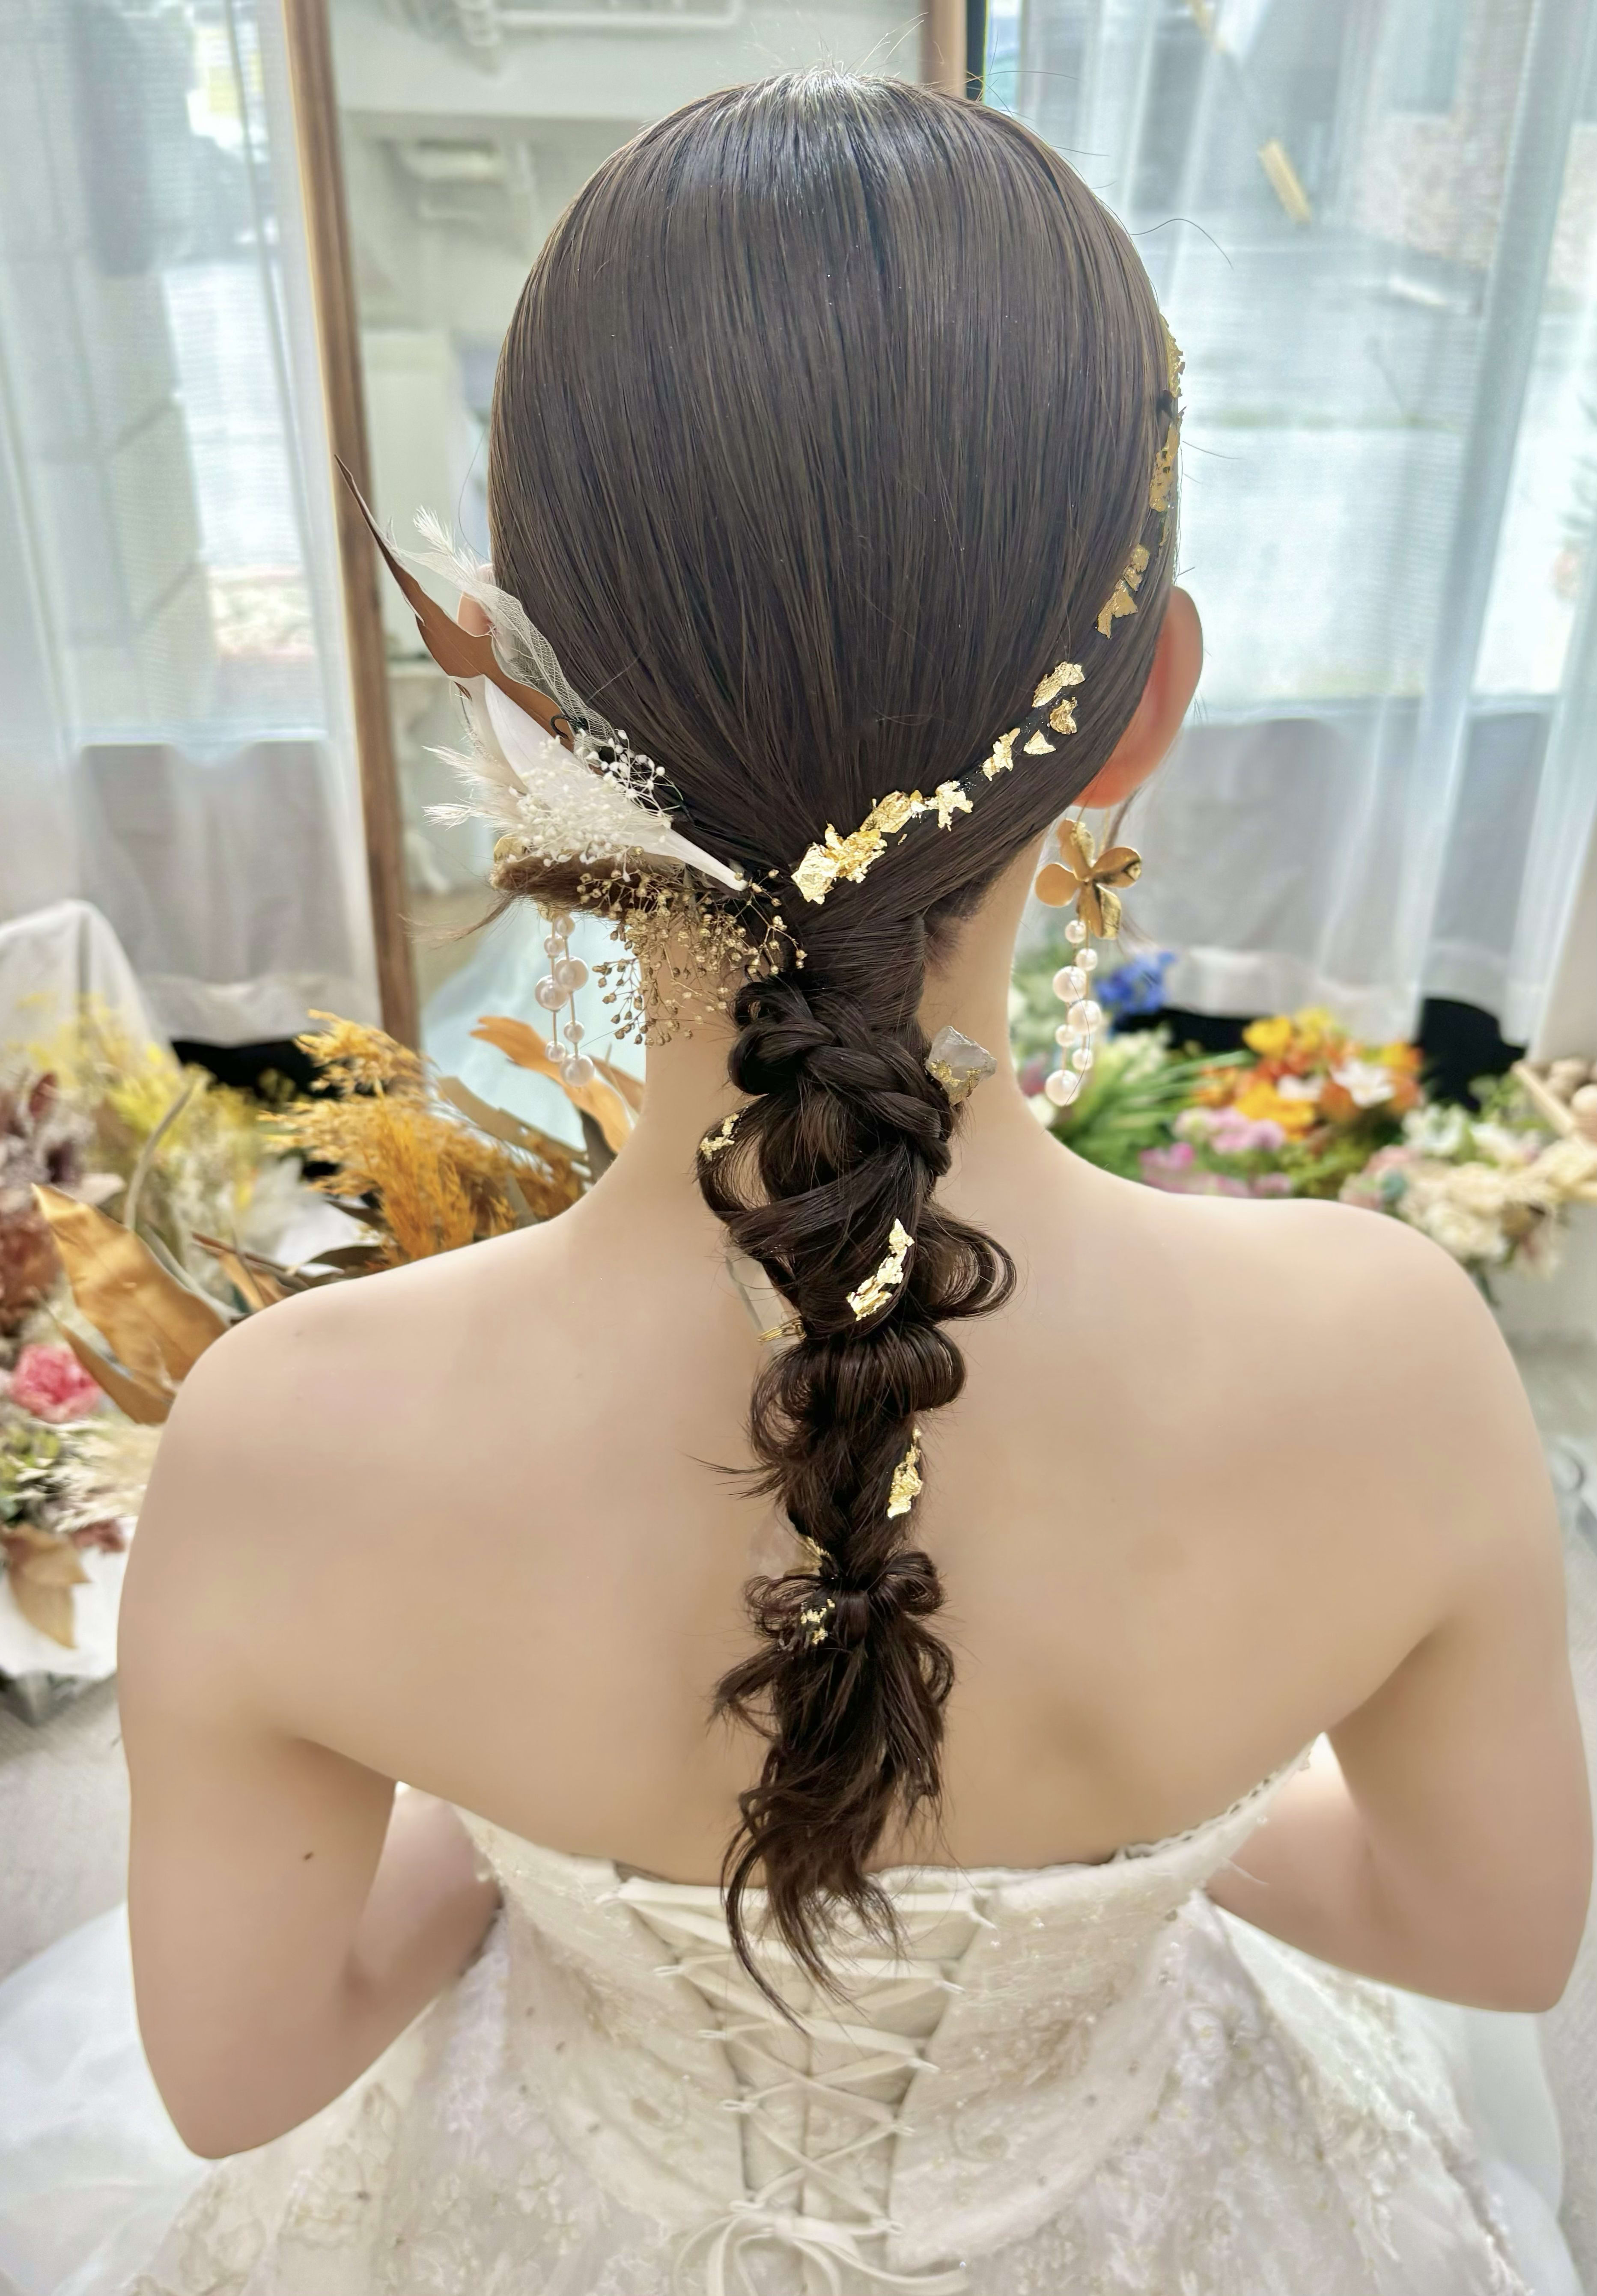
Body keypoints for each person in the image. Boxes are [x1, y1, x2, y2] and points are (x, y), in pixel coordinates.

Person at [0, 68, 1590, 2296]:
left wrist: (513, 1829)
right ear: (1144, 706)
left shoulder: (289, 1436)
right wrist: (1125, 1854)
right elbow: (1491, 1932)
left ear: (513, 715)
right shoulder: (1391, 1357)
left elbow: (241, 2074)